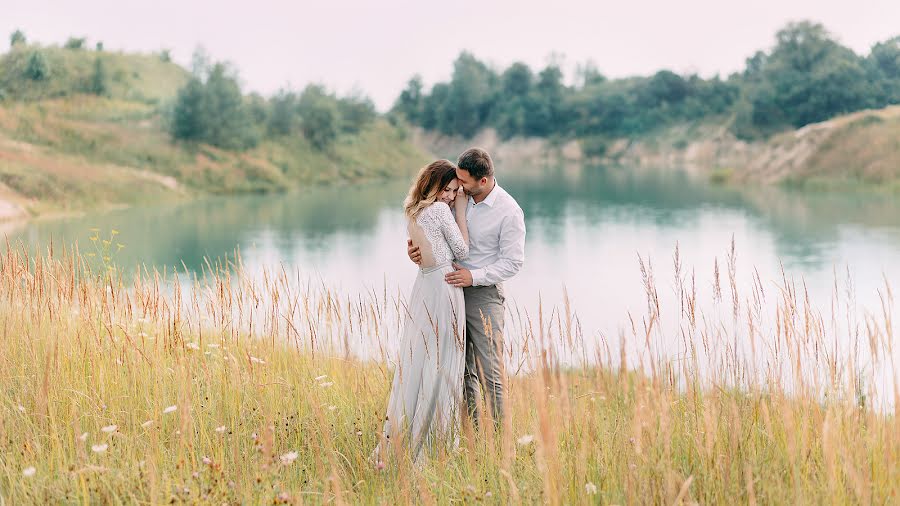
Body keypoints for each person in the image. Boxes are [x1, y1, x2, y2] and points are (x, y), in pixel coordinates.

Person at [408, 147, 526, 426]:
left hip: (483, 295)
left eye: (464, 181)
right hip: (448, 292)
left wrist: (473, 277)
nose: (458, 185)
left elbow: (513, 263)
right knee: (460, 370)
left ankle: (501, 441)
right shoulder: (454, 197)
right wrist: (416, 252)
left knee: (490, 372)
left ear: (482, 181)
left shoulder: (508, 211)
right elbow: (431, 234)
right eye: (457, 179)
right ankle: (470, 435)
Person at [374, 159, 470, 464]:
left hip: (424, 287)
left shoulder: (413, 211)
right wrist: (462, 214)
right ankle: (436, 443)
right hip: (444, 287)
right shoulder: (442, 211)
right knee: (443, 362)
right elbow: (463, 251)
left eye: (456, 192)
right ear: (437, 187)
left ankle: (407, 436)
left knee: (421, 362)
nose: (454, 196)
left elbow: (425, 247)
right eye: (451, 190)